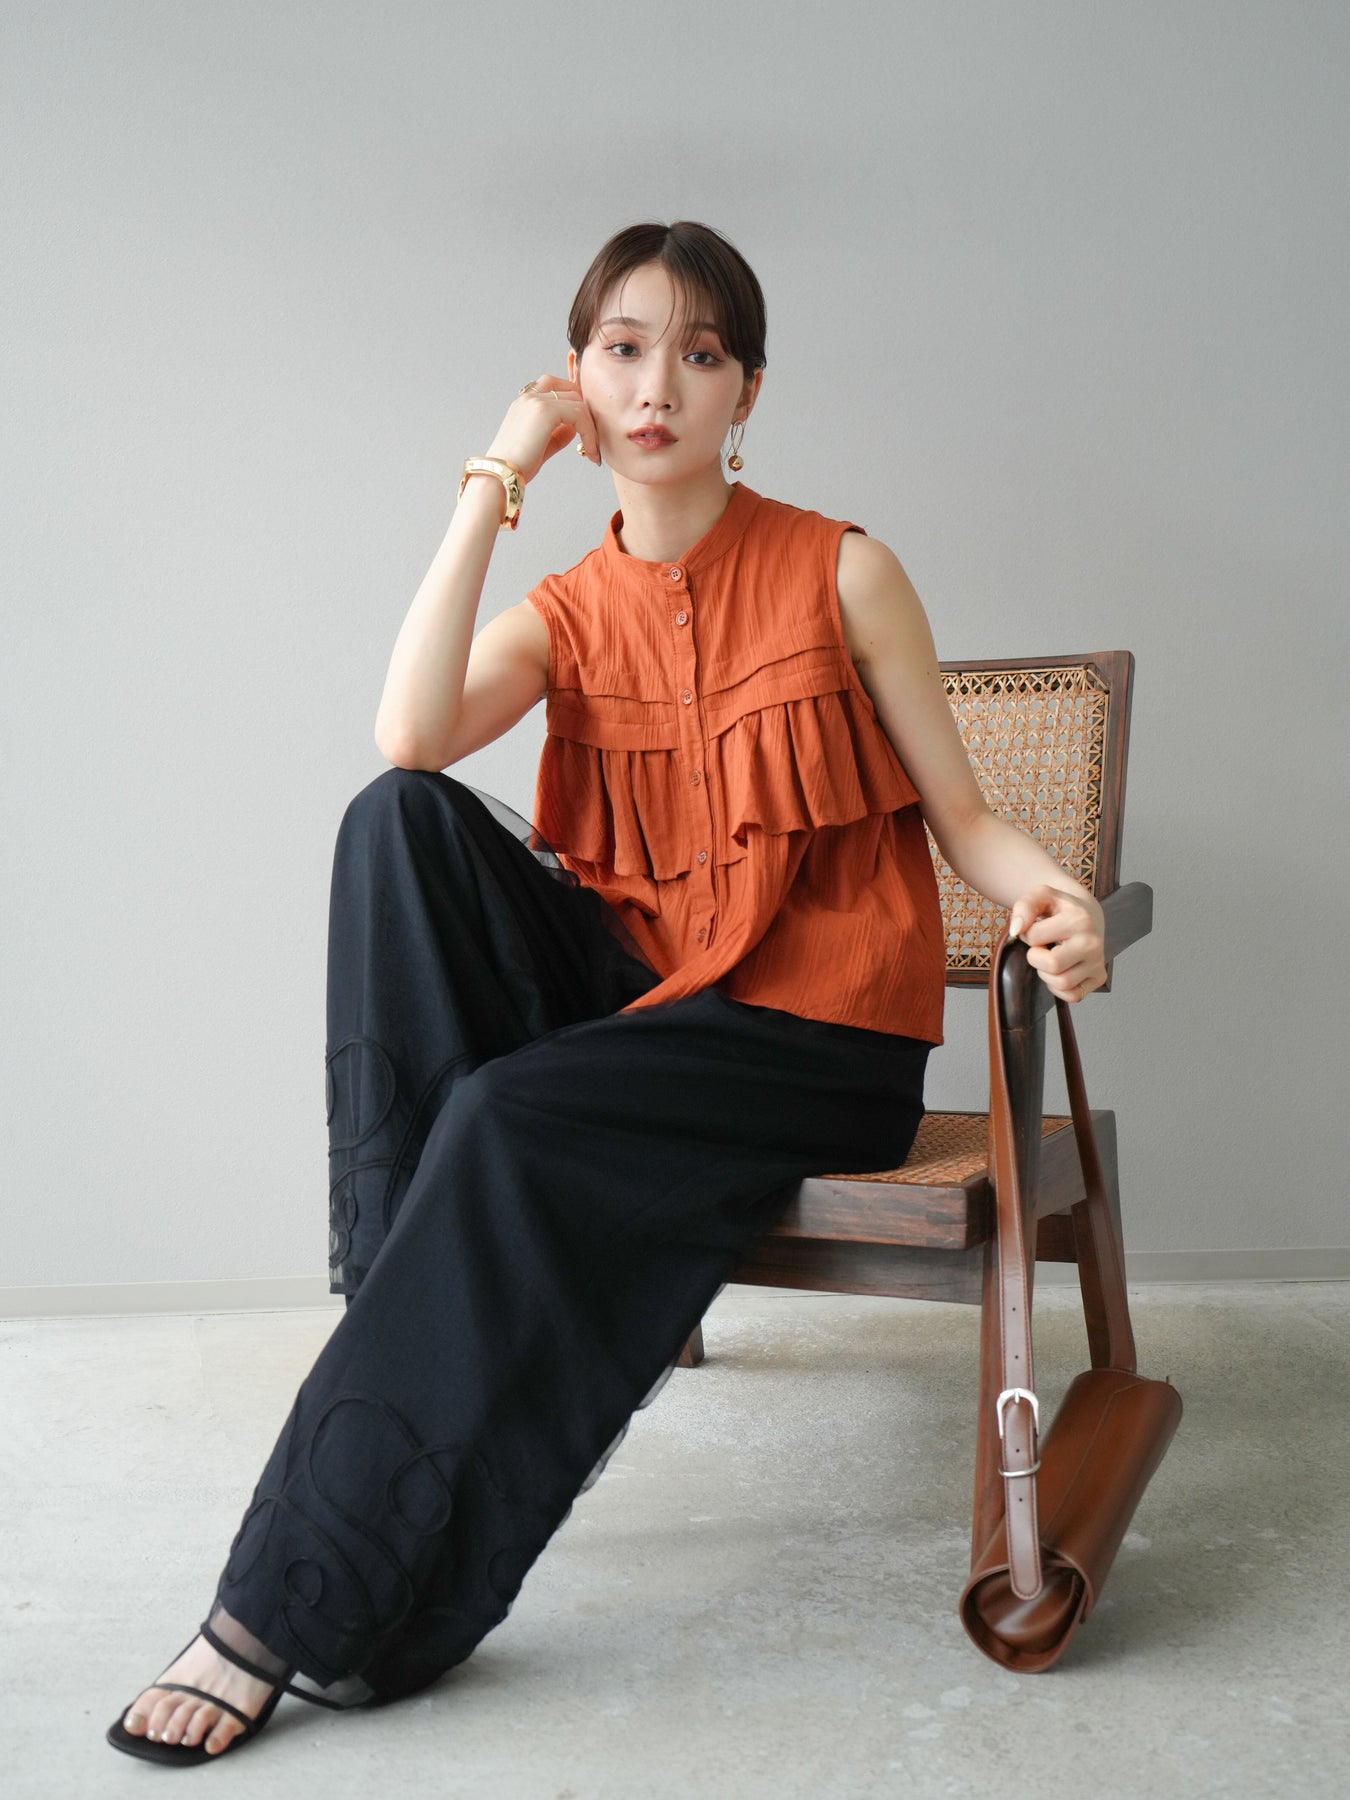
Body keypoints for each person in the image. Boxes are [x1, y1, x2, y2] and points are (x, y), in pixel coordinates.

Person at [108, 220, 1106, 1765]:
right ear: (575, 378)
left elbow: (965, 821)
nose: (657, 387)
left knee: (502, 1116)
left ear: (746, 391)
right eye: (623, 351)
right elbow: (408, 734)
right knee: (396, 820)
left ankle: (277, 1611)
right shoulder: (568, 607)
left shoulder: (843, 569)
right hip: (648, 1010)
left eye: (698, 355)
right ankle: (402, 1286)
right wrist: (493, 476)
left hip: (812, 1039)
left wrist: (1056, 896)